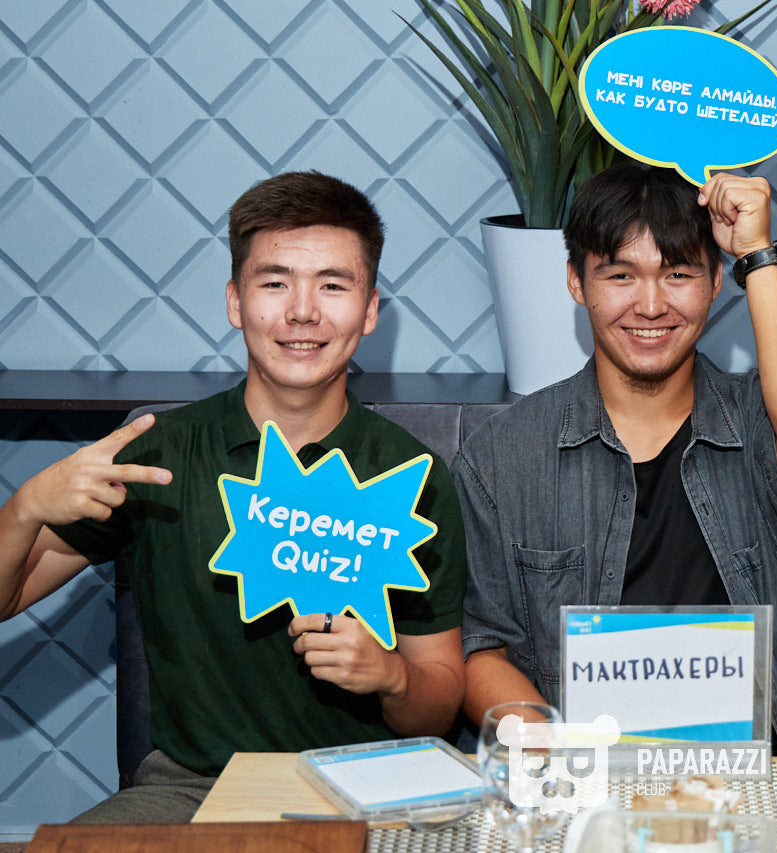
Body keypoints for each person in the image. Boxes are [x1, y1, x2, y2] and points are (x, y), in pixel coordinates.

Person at [0, 172, 467, 823]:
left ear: (369, 311)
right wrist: (24, 507)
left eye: (333, 285)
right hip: (192, 790)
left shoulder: (412, 476)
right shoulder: (155, 455)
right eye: (274, 283)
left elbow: (438, 705)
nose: (302, 311)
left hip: (370, 790)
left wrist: (392, 677)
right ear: (234, 301)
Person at [454, 165, 777, 755]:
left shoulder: (761, 425)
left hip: (759, 774)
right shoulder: (504, 455)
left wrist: (757, 254)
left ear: (717, 279)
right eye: (620, 275)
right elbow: (482, 647)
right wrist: (563, 757)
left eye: (678, 274)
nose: (650, 305)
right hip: (585, 770)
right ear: (576, 281)